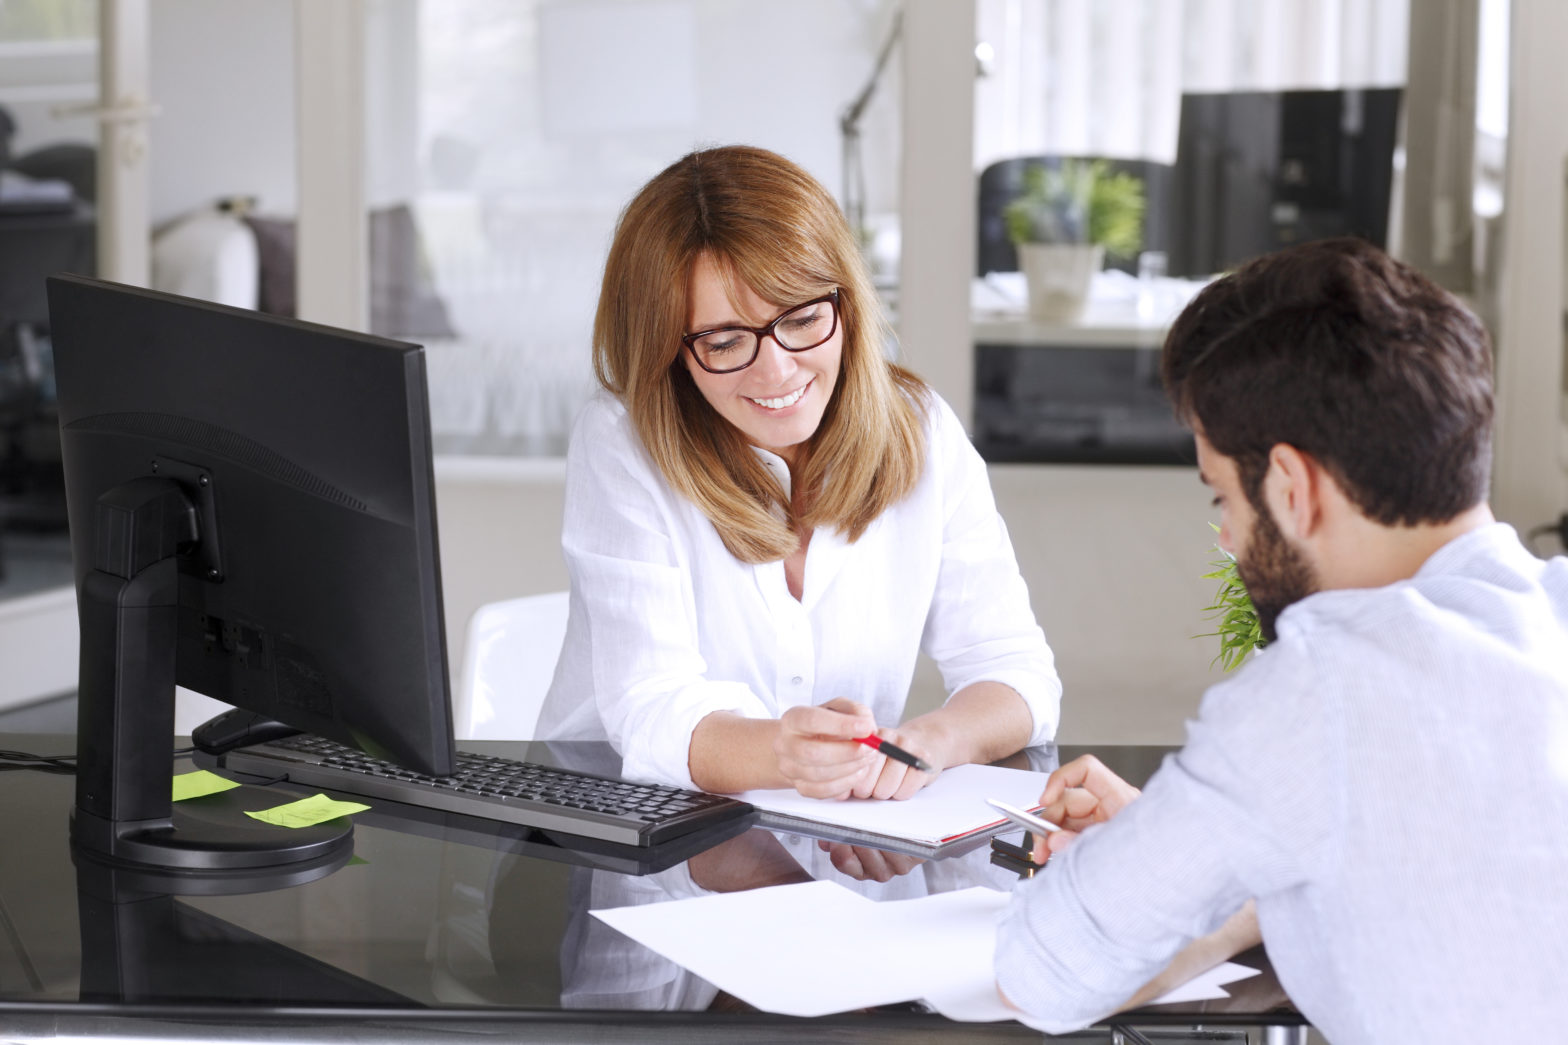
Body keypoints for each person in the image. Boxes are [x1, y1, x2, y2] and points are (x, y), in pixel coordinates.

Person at [994, 236, 1568, 1041]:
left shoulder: (1325, 686)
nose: (1226, 540)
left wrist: (1205, 874)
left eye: (1223, 497)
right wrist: (1233, 852)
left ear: (1293, 488)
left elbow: (1042, 971)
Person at [535, 145, 1059, 798]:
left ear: (847, 305)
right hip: (626, 837)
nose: (777, 371)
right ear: (667, 351)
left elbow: (1016, 670)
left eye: (805, 318)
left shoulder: (921, 428)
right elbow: (651, 707)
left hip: (841, 843)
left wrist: (928, 743)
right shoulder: (623, 441)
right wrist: (784, 752)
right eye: (725, 341)